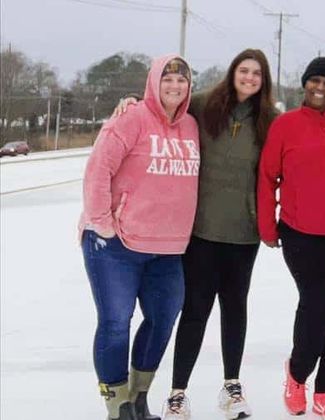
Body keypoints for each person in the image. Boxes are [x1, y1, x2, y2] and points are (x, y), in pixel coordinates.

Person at [114, 49, 278, 420]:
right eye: (244, 70)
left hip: (243, 232)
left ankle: (232, 387)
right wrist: (133, 103)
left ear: (263, 80)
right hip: (200, 231)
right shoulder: (202, 106)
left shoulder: (269, 119)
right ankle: (177, 393)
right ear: (233, 71)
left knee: (235, 309)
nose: (249, 78)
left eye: (256, 73)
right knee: (195, 311)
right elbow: (164, 106)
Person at [79, 55, 199, 420]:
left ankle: (138, 396)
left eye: (182, 80)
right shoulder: (131, 118)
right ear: (153, 82)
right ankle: (118, 406)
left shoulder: (193, 125)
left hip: (167, 249)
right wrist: (102, 222)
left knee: (163, 319)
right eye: (167, 79)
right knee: (116, 322)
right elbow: (99, 169)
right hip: (115, 244)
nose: (174, 86)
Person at [257, 57, 325, 420]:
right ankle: (297, 374)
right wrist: (267, 227)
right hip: (300, 230)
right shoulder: (284, 126)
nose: (320, 88)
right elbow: (267, 177)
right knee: (318, 305)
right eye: (315, 81)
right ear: (305, 83)